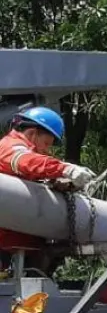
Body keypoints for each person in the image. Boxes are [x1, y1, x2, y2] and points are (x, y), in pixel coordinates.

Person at [0, 106, 96, 269]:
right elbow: (27, 162)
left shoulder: (27, 153)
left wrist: (57, 182)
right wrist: (65, 169)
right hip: (6, 245)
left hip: (21, 245)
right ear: (32, 133)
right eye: (46, 143)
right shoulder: (10, 147)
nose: (46, 150)